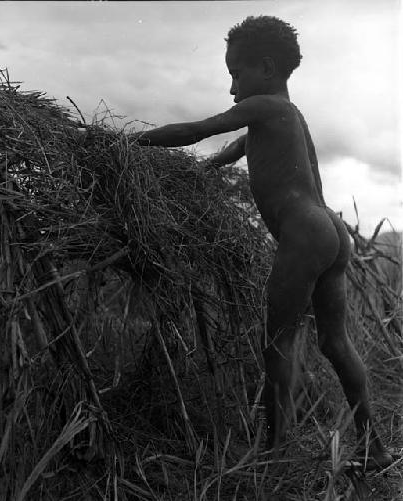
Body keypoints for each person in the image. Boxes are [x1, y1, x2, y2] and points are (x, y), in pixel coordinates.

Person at [132, 15, 392, 469]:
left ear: (267, 68)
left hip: (304, 233)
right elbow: (235, 149)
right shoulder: (287, 117)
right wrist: (201, 172)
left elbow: (199, 129)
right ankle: (374, 446)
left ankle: (274, 455)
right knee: (335, 343)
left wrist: (130, 143)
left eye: (236, 74)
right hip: (328, 230)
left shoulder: (267, 107)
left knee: (277, 343)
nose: (232, 89)